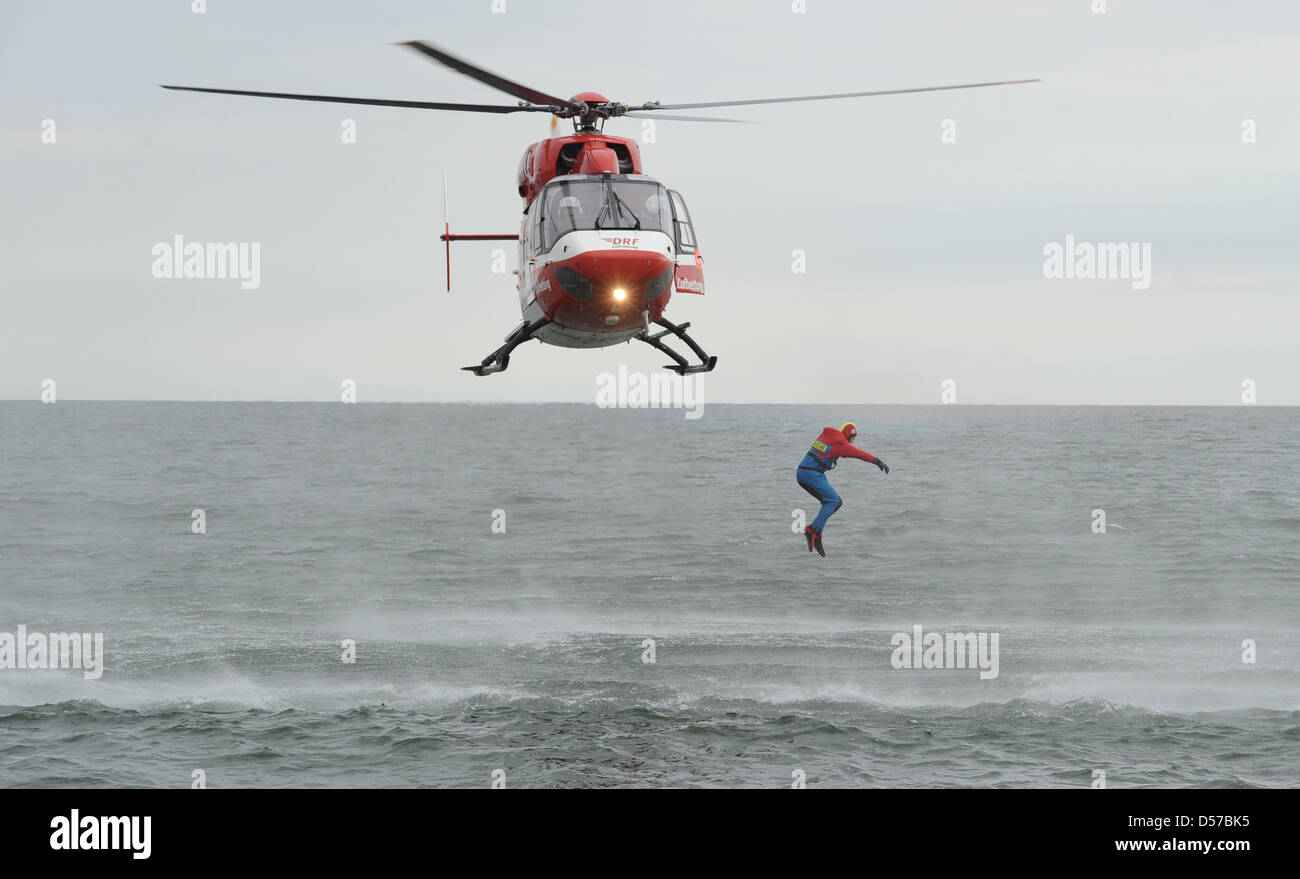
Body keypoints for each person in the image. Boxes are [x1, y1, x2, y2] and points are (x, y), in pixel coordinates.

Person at [796, 422, 888, 556]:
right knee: (834, 502)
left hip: (802, 473)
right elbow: (859, 454)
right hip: (811, 475)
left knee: (829, 503)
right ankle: (812, 530)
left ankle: (816, 533)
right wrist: (877, 461)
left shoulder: (827, 436)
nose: (852, 442)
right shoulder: (841, 444)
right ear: (848, 436)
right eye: (853, 438)